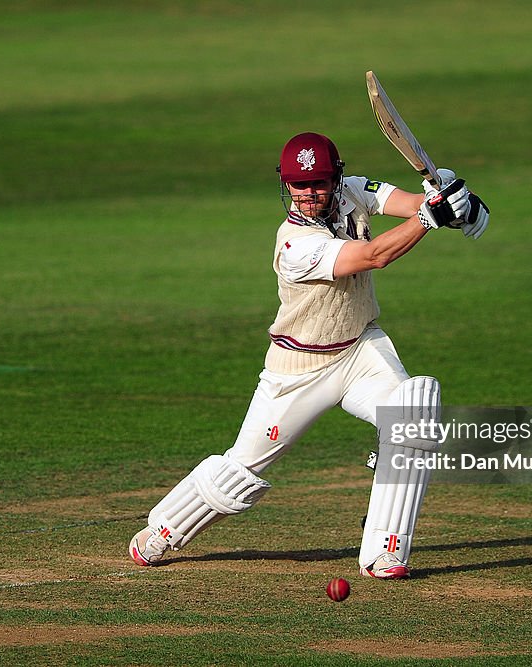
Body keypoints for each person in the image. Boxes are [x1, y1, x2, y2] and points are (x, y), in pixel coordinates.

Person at [129, 132, 489, 578]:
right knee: (239, 476)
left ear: (335, 178)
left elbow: (411, 202)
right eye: (299, 186)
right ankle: (163, 529)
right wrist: (431, 217)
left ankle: (385, 550)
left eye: (317, 183)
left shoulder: (353, 190)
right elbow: (374, 255)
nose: (308, 195)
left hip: (359, 350)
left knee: (413, 410)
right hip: (298, 369)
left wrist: (455, 202)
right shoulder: (293, 244)